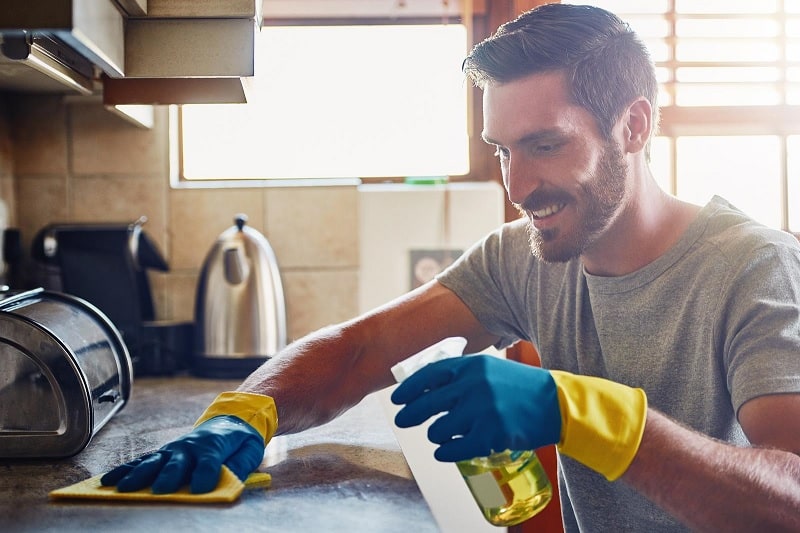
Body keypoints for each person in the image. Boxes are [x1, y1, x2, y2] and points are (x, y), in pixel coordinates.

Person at [101, 4, 800, 531]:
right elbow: (359, 350)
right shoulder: (524, 258)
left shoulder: (753, 267)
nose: (517, 185)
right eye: (502, 149)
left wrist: (578, 410)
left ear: (635, 126)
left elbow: (791, 495)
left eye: (546, 144)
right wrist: (242, 414)